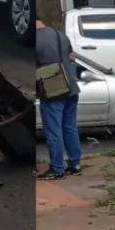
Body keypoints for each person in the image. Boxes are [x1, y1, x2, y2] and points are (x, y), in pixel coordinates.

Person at [35, 18, 82, 180]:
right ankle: (75, 164)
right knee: (70, 127)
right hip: (71, 87)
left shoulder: (35, 40)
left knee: (53, 131)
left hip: (53, 91)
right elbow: (72, 57)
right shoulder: (60, 34)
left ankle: (57, 168)